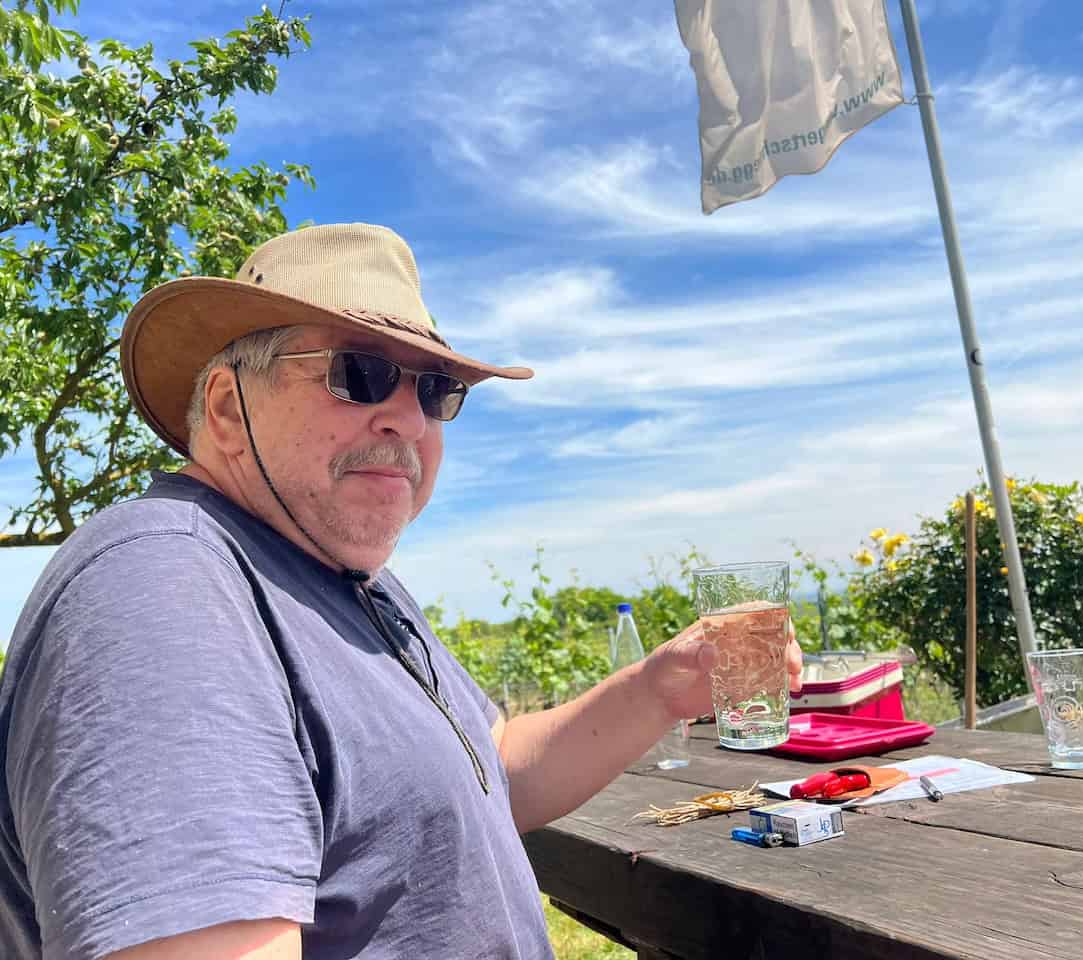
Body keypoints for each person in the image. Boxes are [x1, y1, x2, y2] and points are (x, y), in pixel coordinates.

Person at [0, 223, 803, 960]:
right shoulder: (165, 588)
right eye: (361, 374)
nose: (410, 421)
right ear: (227, 409)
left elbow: (492, 769)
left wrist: (659, 688)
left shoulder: (354, 586)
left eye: (433, 391)